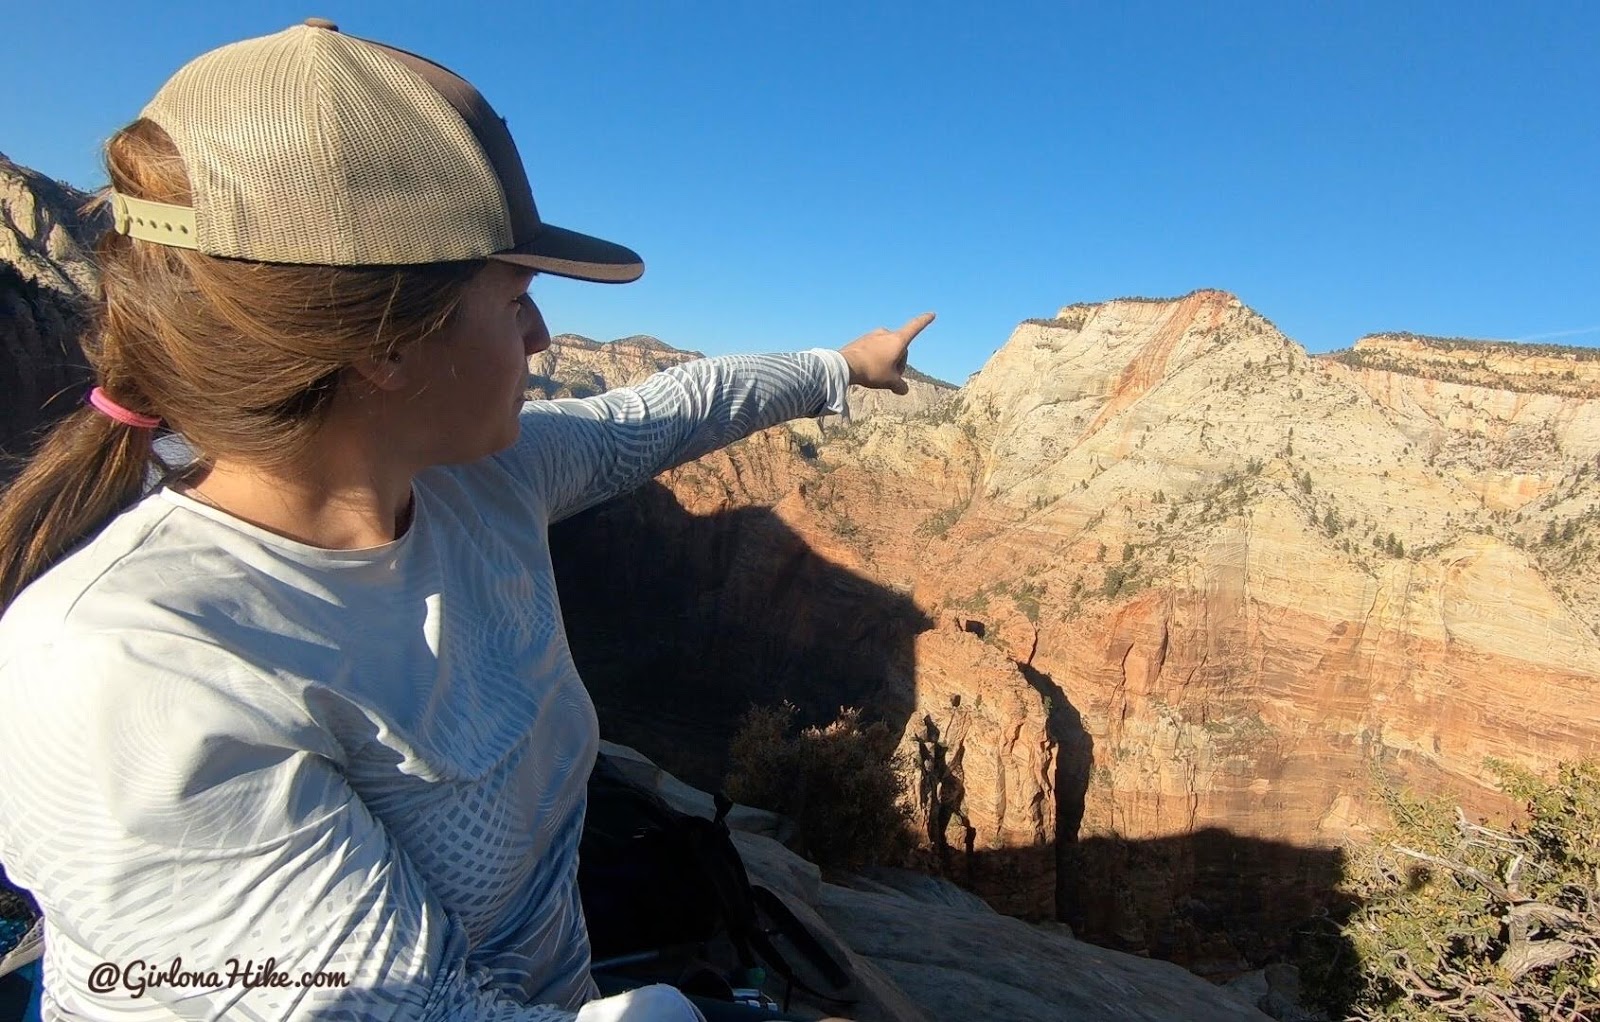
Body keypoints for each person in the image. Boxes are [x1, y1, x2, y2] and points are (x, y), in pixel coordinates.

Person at [0, 19, 931, 1022]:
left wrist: (841, 367)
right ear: (380, 346)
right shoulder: (136, 671)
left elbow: (664, 411)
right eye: (517, 296)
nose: (540, 335)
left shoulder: (478, 478)